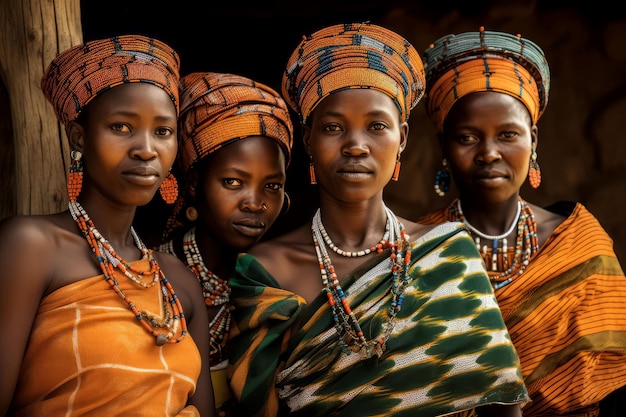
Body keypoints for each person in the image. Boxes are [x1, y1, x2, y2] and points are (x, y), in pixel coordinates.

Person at [227, 22, 529, 417]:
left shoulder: (447, 255)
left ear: (402, 138)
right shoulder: (266, 273)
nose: (355, 146)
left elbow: (502, 406)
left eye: (376, 127)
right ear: (308, 139)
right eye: (334, 127)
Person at [0, 35, 214, 416]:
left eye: (162, 131)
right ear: (79, 137)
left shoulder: (178, 281)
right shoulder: (31, 246)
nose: (146, 149)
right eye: (121, 127)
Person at [417, 27, 626, 416]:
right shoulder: (417, 250)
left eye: (508, 134)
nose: (489, 153)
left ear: (533, 140)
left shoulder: (580, 242)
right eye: (467, 138)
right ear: (443, 147)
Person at [157, 71, 294, 416]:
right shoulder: (154, 278)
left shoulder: (275, 284)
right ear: (193, 185)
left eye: (272, 186)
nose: (255, 202)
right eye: (233, 182)